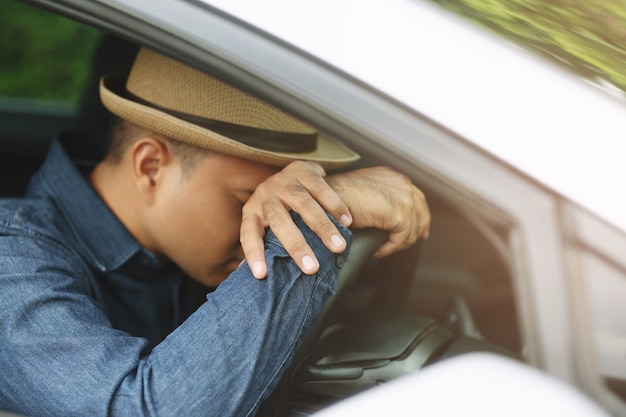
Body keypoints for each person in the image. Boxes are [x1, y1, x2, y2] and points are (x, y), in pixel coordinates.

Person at [0, 48, 430, 417]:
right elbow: (144, 409)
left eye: (279, 204)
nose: (261, 226)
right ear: (150, 167)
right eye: (248, 201)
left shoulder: (181, 250)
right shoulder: (10, 258)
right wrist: (322, 209)